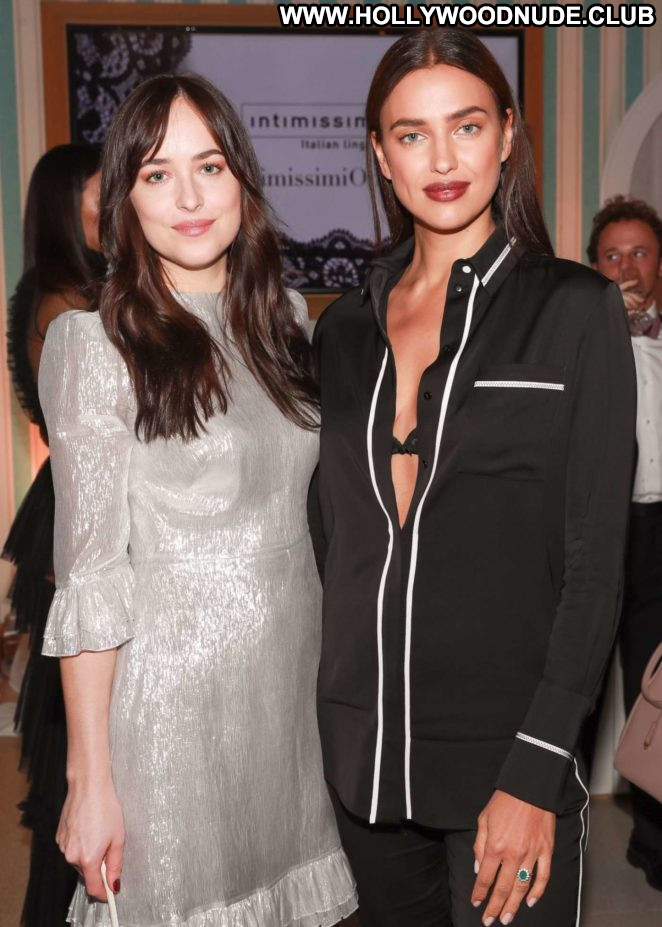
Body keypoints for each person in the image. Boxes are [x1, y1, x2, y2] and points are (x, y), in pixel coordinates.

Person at [308, 30, 636, 927]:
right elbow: (333, 541)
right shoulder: (342, 332)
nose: (443, 159)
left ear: (508, 134)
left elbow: (595, 566)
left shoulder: (575, 310)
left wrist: (536, 769)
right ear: (381, 155)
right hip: (364, 765)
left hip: (508, 762)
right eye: (411, 134)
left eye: (467, 126)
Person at [39, 74, 357, 927]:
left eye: (209, 166)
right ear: (124, 200)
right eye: (157, 173)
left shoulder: (284, 320)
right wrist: (90, 778)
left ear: (242, 181)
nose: (188, 198)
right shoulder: (94, 344)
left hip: (287, 699)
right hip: (169, 712)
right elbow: (91, 578)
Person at [2, 143, 104, 926]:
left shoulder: (61, 290)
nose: (119, 208)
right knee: (78, 754)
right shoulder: (64, 302)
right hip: (73, 520)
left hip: (71, 510)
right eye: (103, 196)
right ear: (69, 208)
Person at [589, 195, 662, 891]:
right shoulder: (582, 339)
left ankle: (655, 838)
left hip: (660, 530)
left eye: (639, 252)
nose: (627, 266)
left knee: (656, 690)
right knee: (579, 681)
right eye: (612, 255)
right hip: (599, 529)